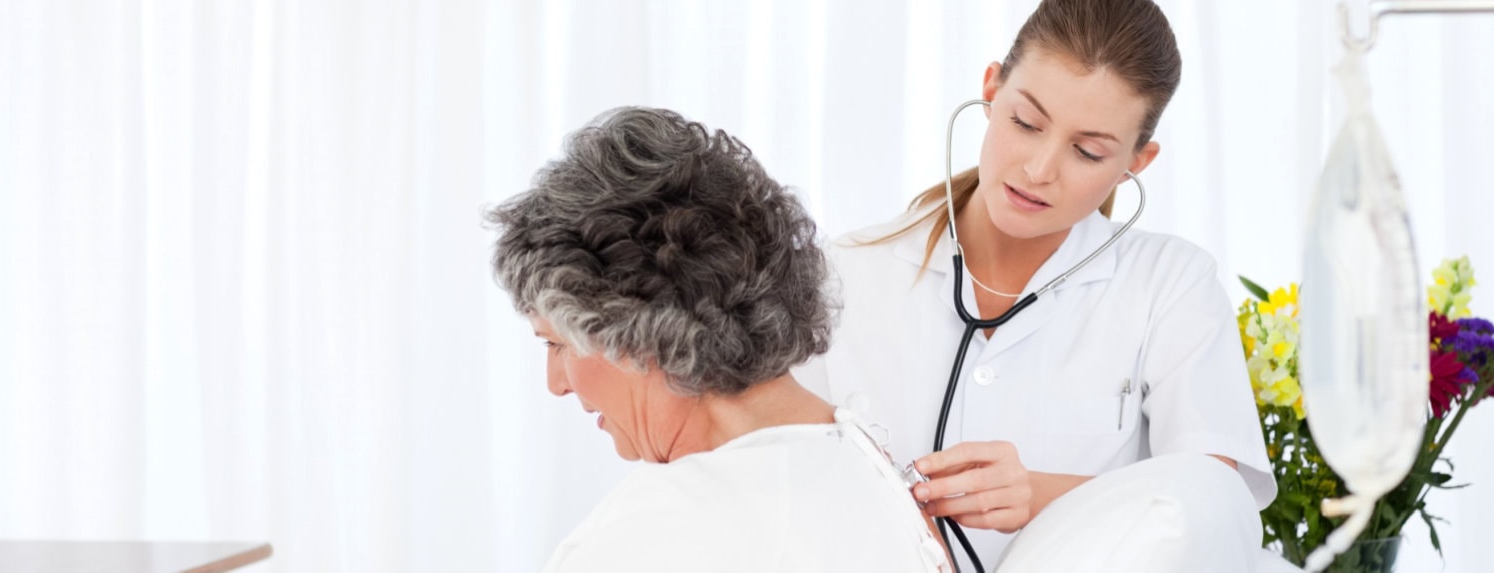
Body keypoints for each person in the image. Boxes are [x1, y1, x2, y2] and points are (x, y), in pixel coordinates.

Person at [794, 0, 1275, 568]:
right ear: (992, 89)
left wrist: (1037, 493)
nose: (1040, 168)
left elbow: (1213, 510)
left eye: (1087, 151)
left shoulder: (1171, 285)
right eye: (1026, 122)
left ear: (1136, 162)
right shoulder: (842, 273)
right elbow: (771, 478)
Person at [488, 107, 951, 572]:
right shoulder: (870, 474)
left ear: (631, 328)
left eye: (557, 344)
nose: (557, 383)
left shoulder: (663, 532)